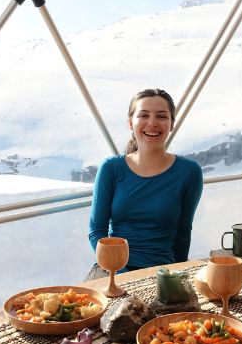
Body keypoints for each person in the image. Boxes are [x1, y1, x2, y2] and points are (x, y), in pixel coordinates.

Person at [87, 88, 203, 278]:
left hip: (162, 272)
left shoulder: (189, 172)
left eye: (162, 116)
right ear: (130, 123)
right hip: (112, 269)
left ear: (172, 124)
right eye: (144, 115)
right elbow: (96, 231)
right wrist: (122, 274)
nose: (152, 123)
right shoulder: (111, 168)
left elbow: (183, 232)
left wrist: (178, 277)